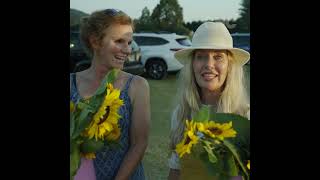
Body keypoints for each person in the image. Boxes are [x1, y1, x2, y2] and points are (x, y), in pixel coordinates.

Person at [70, 9, 150, 180]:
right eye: (119, 41)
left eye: (129, 42)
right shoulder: (71, 83)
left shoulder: (136, 86)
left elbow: (139, 144)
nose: (127, 50)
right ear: (95, 42)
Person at [167, 22, 250, 180]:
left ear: (229, 65)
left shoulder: (245, 116)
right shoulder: (182, 113)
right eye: (201, 57)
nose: (209, 65)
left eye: (218, 57)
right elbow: (176, 171)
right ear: (192, 65)